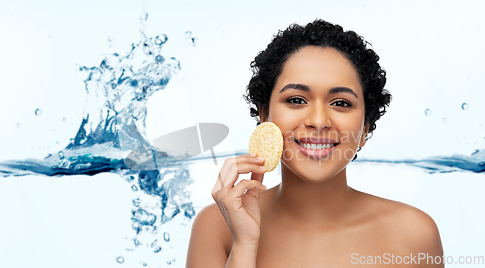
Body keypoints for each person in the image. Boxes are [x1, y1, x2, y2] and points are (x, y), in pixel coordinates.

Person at [186, 19, 444, 267]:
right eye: (297, 100)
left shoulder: (414, 234)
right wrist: (244, 244)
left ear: (365, 128)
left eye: (341, 103)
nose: (318, 121)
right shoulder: (218, 226)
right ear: (264, 115)